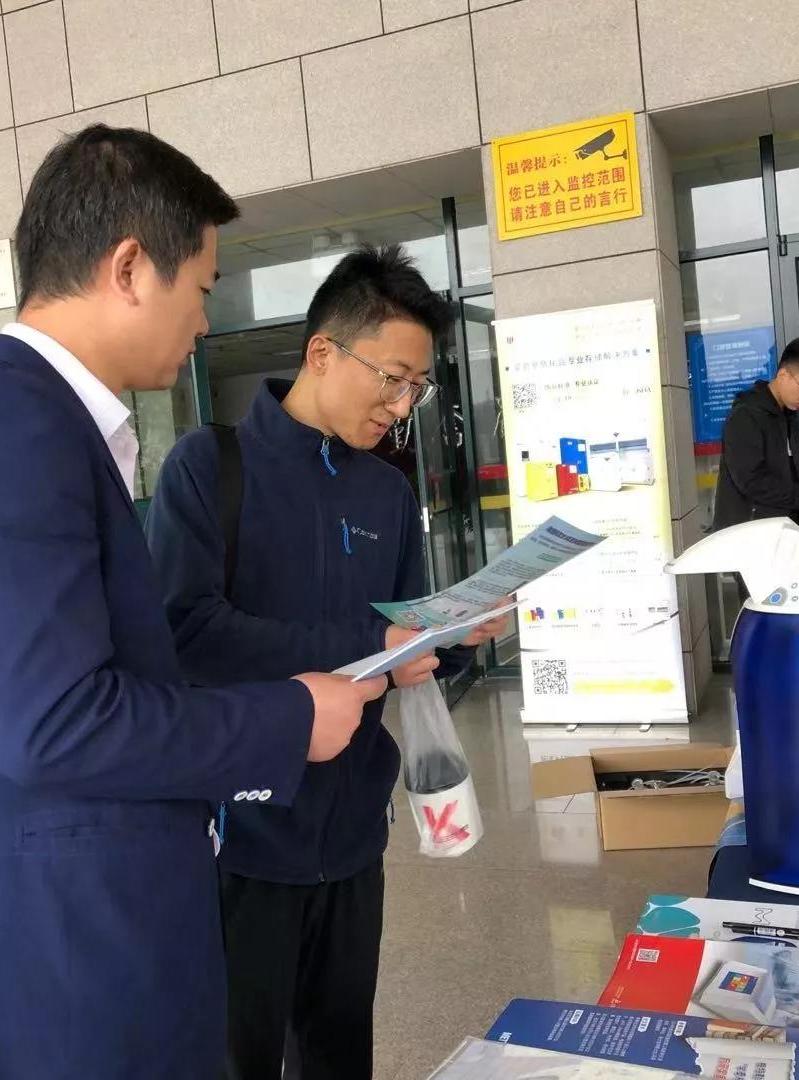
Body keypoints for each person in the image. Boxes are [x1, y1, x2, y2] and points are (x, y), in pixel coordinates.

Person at [0, 125, 386, 1080]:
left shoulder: (40, 427)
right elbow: (52, 723)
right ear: (131, 268)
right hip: (40, 977)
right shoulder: (4, 434)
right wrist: (287, 720)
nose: (204, 323)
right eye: (202, 289)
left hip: (73, 947)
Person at [146, 244, 509, 1080]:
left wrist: (450, 636)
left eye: (416, 387)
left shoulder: (386, 493)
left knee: (341, 1055)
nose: (402, 404)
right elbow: (188, 631)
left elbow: (403, 650)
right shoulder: (212, 468)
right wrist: (367, 646)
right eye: (392, 378)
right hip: (239, 835)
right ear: (322, 352)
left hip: (351, 837)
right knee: (236, 1057)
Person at [713, 336, 799, 538]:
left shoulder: (788, 416)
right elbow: (753, 482)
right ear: (783, 375)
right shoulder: (746, 415)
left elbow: (790, 479)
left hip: (784, 534)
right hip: (750, 538)